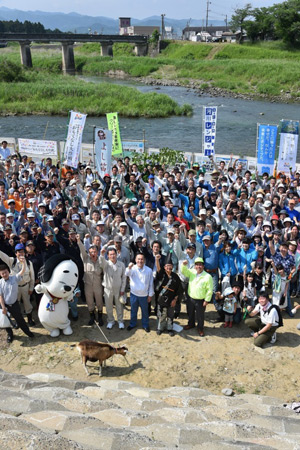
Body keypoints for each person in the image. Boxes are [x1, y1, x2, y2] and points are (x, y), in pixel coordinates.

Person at [0, 258, 34, 343]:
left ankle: (28, 332)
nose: (4, 274)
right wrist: (3, 307)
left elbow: (22, 272)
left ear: (8, 271)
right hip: (5, 305)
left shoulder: (14, 278)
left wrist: (24, 264)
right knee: (6, 321)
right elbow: (0, 296)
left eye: (5, 272)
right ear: (0, 274)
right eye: (2, 273)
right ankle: (10, 335)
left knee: (20, 320)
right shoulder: (0, 282)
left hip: (14, 304)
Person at [181, 257, 213, 336]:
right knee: (190, 312)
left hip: (200, 300)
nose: (198, 267)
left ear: (203, 266)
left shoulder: (208, 276)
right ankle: (191, 324)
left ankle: (200, 328)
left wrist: (207, 300)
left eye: (200, 265)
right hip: (191, 298)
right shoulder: (192, 272)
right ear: (195, 266)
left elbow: (210, 290)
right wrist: (183, 265)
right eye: (197, 265)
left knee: (200, 315)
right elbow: (184, 272)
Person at [126, 253, 154, 332]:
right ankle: (132, 324)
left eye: (141, 259)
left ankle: (145, 325)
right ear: (135, 260)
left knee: (145, 311)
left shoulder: (149, 270)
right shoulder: (132, 268)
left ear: (144, 260)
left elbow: (151, 283)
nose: (140, 261)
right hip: (134, 294)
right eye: (138, 259)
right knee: (133, 310)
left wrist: (150, 295)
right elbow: (126, 273)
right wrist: (129, 267)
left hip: (144, 295)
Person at [155, 254, 182, 336]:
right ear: (164, 267)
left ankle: (170, 328)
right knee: (161, 315)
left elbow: (179, 289)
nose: (169, 268)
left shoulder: (176, 277)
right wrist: (157, 260)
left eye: (170, 266)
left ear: (173, 267)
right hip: (162, 298)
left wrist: (175, 299)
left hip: (171, 299)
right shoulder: (161, 275)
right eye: (167, 266)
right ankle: (160, 328)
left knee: (170, 315)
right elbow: (158, 269)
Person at [100, 247, 126, 329]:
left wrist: (122, 289)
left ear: (117, 254)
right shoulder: (106, 264)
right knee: (108, 306)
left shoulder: (121, 264)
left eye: (114, 254)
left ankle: (120, 321)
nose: (112, 256)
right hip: (108, 289)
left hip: (118, 289)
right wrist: (102, 255)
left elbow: (124, 278)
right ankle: (110, 320)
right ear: (108, 256)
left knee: (119, 306)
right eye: (110, 254)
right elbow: (101, 262)